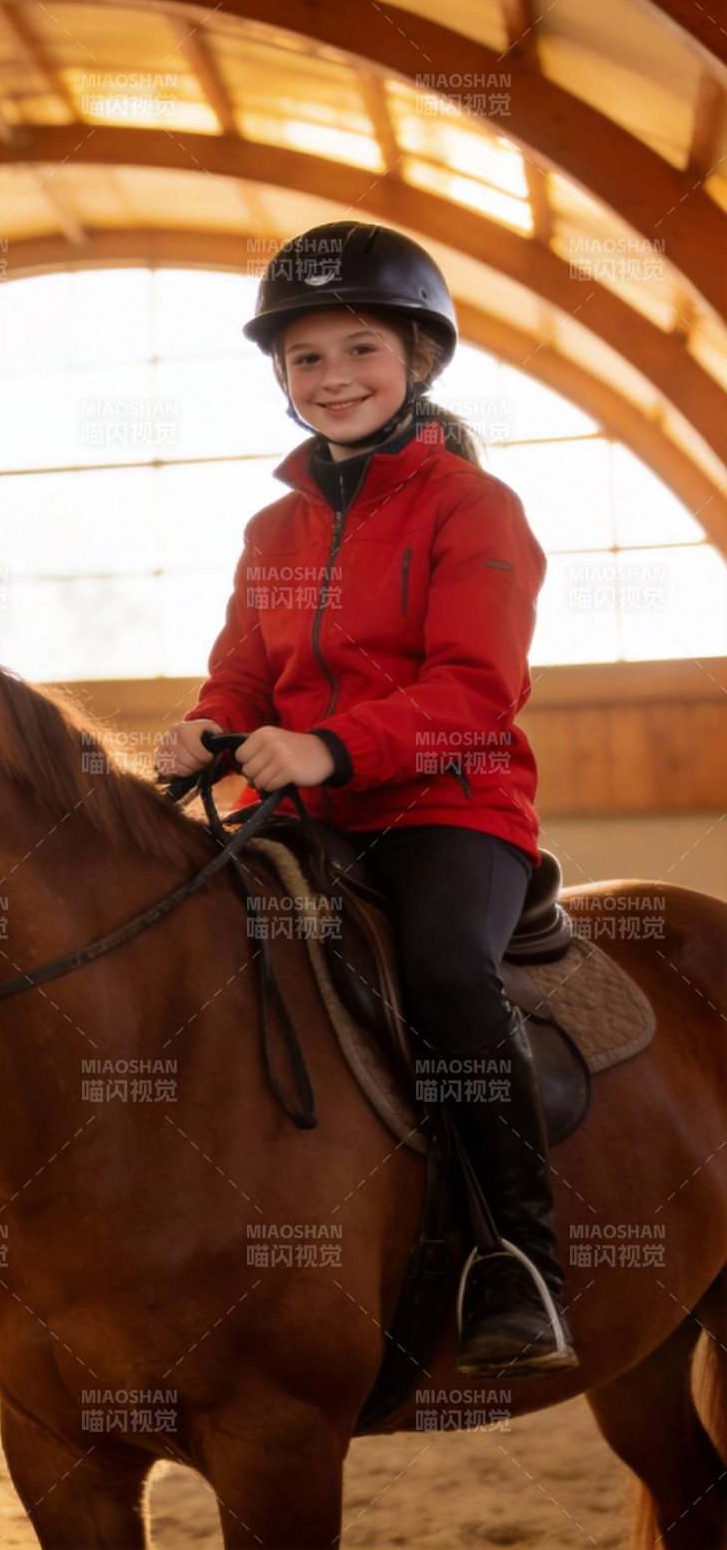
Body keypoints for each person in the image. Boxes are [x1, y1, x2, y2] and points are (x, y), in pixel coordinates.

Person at [156, 220, 573, 1378]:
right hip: (303, 808)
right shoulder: (270, 527)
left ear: (418, 361)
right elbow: (245, 668)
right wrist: (208, 725)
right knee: (164, 941)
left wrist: (334, 747)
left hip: (453, 809)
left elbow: (477, 690)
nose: (333, 377)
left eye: (359, 350)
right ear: (281, 379)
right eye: (305, 359)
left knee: (443, 970)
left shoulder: (473, 509)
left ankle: (515, 1257)